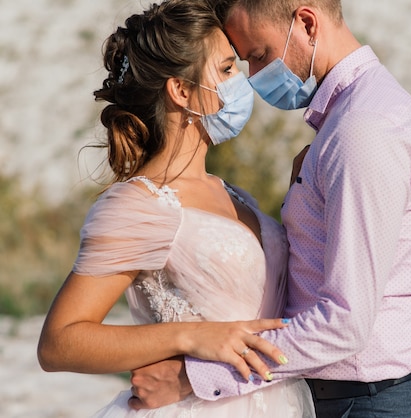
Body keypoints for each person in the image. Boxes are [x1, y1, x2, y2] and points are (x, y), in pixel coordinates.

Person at [130, 0, 411, 416]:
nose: (258, 77)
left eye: (260, 56)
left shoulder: (362, 130)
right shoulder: (349, 120)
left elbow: (344, 323)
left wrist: (193, 378)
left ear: (306, 23)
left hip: (373, 402)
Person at [36, 0, 315, 416]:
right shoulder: (140, 205)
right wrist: (191, 337)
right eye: (225, 70)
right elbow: (59, 343)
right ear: (181, 91)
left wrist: (304, 195)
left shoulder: (233, 193)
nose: (242, 82)